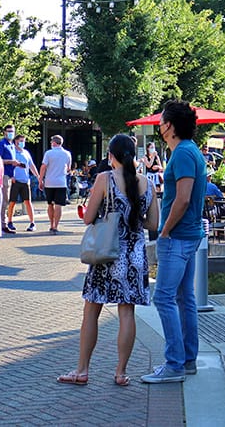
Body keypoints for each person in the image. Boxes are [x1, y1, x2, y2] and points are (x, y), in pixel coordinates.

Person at [57, 134, 158, 387]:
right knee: (127, 312)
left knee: (92, 310)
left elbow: (88, 217)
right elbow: (153, 224)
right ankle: (121, 372)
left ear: (111, 155)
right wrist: (133, 220)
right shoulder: (147, 183)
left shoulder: (105, 179)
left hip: (107, 254)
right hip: (134, 256)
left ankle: (82, 370)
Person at [141, 100, 205, 384]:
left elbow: (183, 198)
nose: (159, 126)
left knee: (164, 298)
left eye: (161, 121)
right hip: (187, 236)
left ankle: (174, 364)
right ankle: (186, 360)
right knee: (184, 297)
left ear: (170, 126)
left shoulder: (182, 154)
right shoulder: (190, 150)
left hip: (177, 236)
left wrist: (165, 230)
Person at [39, 135, 72, 235]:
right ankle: (56, 226)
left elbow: (43, 167)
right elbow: (69, 168)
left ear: (53, 143)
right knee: (58, 205)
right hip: (61, 182)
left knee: (50, 204)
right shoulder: (67, 154)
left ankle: (51, 224)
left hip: (49, 182)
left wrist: (40, 180)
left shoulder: (48, 153)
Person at [6, 135, 40, 232]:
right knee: (12, 202)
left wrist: (38, 176)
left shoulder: (26, 152)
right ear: (16, 141)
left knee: (27, 201)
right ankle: (10, 221)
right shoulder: (12, 152)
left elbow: (31, 165)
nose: (22, 143)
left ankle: (32, 223)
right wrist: (11, 176)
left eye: (23, 141)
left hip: (25, 180)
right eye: (21, 141)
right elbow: (8, 165)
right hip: (15, 181)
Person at [0, 124, 20, 234]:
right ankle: (2, 224)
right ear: (4, 132)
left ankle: (2, 223)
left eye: (12, 131)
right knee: (3, 201)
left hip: (9, 176)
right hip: (3, 175)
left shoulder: (12, 145)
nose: (11, 133)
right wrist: (11, 162)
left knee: (6, 200)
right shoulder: (1, 144)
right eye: (9, 131)